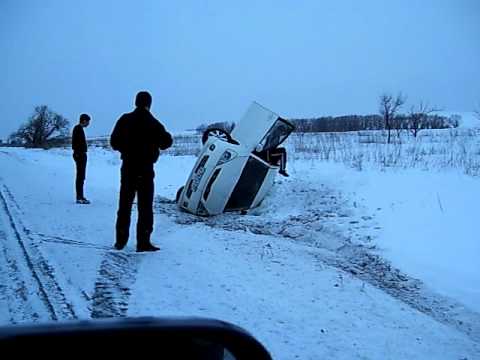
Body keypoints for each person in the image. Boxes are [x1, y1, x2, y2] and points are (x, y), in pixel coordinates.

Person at [110, 91, 173, 252]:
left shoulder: (124, 119)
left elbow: (114, 142)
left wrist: (127, 148)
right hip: (145, 169)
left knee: (124, 204)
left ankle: (120, 241)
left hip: (128, 167)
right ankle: (143, 242)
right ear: (149, 104)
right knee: (145, 206)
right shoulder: (153, 123)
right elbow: (167, 142)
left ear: (135, 102)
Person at [72, 113, 91, 204]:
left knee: (81, 176)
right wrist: (78, 153)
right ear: (84, 120)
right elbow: (76, 143)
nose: (88, 124)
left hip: (80, 154)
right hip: (79, 154)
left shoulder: (79, 129)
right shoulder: (77, 129)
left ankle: (80, 196)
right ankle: (79, 197)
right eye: (88, 121)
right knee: (80, 176)